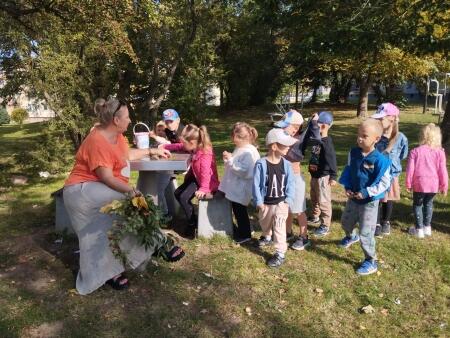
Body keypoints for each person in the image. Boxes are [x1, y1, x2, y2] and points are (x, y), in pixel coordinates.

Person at [63, 97, 184, 295]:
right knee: (130, 203)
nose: (130, 120)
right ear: (116, 120)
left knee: (108, 231)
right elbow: (106, 177)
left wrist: (153, 150)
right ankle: (158, 243)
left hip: (96, 187)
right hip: (81, 191)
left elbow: (126, 155)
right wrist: (130, 190)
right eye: (127, 117)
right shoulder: (97, 140)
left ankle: (117, 268)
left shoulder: (117, 136)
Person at [339, 119, 391, 275]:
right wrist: (347, 186)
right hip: (353, 199)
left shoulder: (381, 161)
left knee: (366, 232)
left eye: (364, 135)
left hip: (369, 203)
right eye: (358, 134)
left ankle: (370, 260)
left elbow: (384, 183)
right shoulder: (353, 153)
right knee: (345, 222)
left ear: (376, 139)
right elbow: (348, 170)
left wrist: (367, 192)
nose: (359, 138)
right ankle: (350, 236)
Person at [163, 124, 220, 236]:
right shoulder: (195, 147)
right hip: (196, 178)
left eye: (185, 143)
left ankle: (192, 224)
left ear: (192, 142)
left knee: (184, 197)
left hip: (208, 183)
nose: (183, 145)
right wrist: (165, 147)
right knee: (178, 193)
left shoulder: (205, 153)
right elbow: (180, 146)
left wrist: (203, 189)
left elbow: (206, 173)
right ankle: (192, 217)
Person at [253, 128, 296, 267]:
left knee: (279, 227)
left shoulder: (287, 165)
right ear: (274, 146)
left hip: (281, 204)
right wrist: (259, 201)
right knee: (265, 223)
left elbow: (290, 183)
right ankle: (266, 235)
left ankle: (280, 253)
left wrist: (287, 201)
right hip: (265, 204)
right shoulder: (261, 164)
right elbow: (255, 184)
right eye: (285, 144)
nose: (288, 147)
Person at [273, 110, 313, 250]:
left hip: (295, 180)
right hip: (284, 178)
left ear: (296, 127)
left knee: (298, 210)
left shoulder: (297, 140)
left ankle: (304, 236)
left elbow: (311, 134)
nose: (282, 129)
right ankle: (288, 232)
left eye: (286, 126)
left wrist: (312, 122)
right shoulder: (285, 137)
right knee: (287, 207)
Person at [371, 103, 408, 237]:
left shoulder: (401, 138)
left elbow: (403, 154)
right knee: (376, 199)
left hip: (392, 175)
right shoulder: (376, 136)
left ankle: (385, 221)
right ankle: (376, 224)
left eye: (381, 119)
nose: (378, 121)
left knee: (388, 200)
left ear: (391, 119)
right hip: (377, 174)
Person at [219, 122, 260, 244]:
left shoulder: (248, 152)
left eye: (233, 137)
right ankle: (245, 230)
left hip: (242, 188)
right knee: (238, 211)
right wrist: (229, 158)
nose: (233, 140)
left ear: (236, 137)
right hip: (237, 187)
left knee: (240, 212)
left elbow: (244, 171)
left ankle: (245, 234)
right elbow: (235, 164)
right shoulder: (241, 148)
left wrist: (231, 160)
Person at [405, 123, 448, 238]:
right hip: (433, 184)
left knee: (418, 205)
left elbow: (410, 169)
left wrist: (408, 183)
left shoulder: (415, 151)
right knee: (429, 204)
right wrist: (444, 185)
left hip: (419, 183)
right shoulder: (440, 152)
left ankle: (419, 229)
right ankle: (427, 227)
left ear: (422, 136)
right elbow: (443, 170)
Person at [307, 111, 338, 237]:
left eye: (316, 125)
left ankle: (325, 225)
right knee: (314, 198)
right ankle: (315, 216)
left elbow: (332, 159)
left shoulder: (326, 142)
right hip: (314, 175)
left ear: (324, 126)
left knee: (323, 201)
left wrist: (333, 176)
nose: (313, 127)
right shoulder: (317, 139)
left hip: (323, 177)